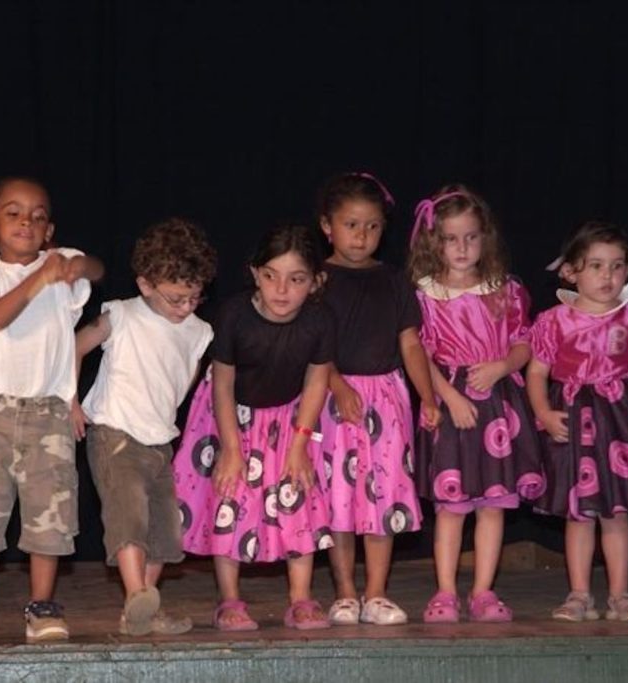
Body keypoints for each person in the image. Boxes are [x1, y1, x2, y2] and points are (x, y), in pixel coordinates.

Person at [0, 177, 104, 643]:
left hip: (49, 414)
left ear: (49, 228)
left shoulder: (60, 272)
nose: (26, 222)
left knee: (49, 515)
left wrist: (72, 264)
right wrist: (44, 274)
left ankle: (42, 605)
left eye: (38, 216)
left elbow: (92, 269)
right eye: (13, 213)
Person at [174, 225, 334, 631]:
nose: (281, 289)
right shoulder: (234, 314)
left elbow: (317, 380)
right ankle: (229, 599)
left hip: (288, 420)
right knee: (230, 499)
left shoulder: (318, 321)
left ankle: (300, 597)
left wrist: (299, 444)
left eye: (296, 279)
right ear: (254, 273)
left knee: (297, 495)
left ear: (316, 282)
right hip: (231, 417)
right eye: (270, 276)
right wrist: (231, 448)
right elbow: (222, 383)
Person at [74, 218, 217, 636]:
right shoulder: (121, 315)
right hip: (115, 431)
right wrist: (70, 402)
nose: (186, 307)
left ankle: (141, 609)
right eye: (176, 298)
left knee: (164, 529)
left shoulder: (199, 331)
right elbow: (74, 347)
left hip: (160, 440)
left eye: (194, 297)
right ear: (146, 284)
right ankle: (137, 593)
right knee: (128, 513)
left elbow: (182, 382)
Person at [408, 185, 543, 623]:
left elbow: (526, 343)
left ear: (485, 238)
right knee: (451, 507)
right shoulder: (425, 296)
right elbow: (420, 354)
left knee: (492, 503)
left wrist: (502, 366)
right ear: (435, 242)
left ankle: (483, 590)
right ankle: (445, 591)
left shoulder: (505, 290)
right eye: (450, 238)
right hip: (452, 404)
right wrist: (448, 396)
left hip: (497, 406)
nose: (461, 247)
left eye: (470, 236)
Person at [527, 221, 628, 622]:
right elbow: (537, 373)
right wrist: (542, 411)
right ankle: (578, 593)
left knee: (617, 511)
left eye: (617, 266)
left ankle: (621, 594)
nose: (607, 276)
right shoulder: (554, 321)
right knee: (579, 512)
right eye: (595, 266)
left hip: (620, 420)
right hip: (574, 419)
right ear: (571, 272)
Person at [316, 172, 440, 627]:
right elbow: (313, 345)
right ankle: (346, 591)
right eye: (351, 225)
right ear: (328, 226)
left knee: (382, 498)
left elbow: (411, 344)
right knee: (341, 498)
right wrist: (337, 384)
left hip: (386, 397)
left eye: (371, 226)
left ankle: (377, 593)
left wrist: (426, 395)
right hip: (333, 397)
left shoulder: (393, 281)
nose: (362, 235)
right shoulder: (318, 281)